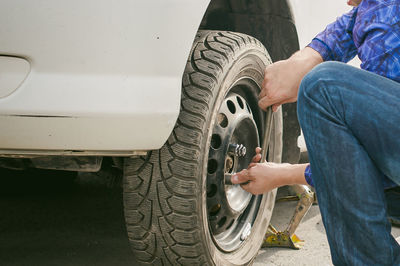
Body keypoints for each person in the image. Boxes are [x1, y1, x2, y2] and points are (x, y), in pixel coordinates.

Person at [231, 0, 400, 264]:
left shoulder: (384, 6)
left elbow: (370, 164)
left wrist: (283, 174)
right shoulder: (370, 11)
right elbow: (338, 34)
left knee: (322, 87)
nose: (346, 2)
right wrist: (301, 61)